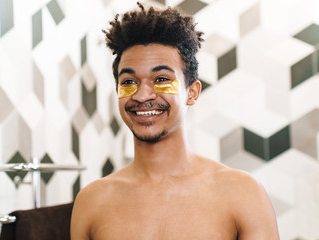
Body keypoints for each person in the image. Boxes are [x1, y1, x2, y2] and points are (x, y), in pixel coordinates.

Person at [71, 3, 279, 239]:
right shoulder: (92, 201)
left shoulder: (242, 193)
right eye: (128, 82)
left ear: (192, 92)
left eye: (160, 78)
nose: (142, 95)